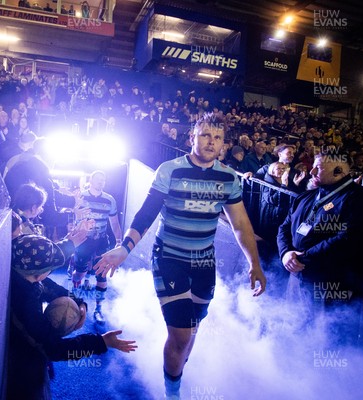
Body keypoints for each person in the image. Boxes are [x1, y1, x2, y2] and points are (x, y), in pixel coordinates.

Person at [93, 113, 266, 400]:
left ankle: (176, 371)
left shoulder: (228, 177)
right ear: (192, 138)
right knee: (183, 335)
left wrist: (255, 264)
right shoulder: (169, 170)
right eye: (205, 135)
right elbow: (147, 213)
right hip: (169, 258)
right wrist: (125, 248)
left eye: (218, 138)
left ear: (224, 144)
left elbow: (240, 224)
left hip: (204, 263)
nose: (211, 142)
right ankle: (172, 394)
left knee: (192, 330)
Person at [7, 234, 137, 400]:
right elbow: (55, 349)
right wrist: (101, 342)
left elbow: (49, 287)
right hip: (22, 367)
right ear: (40, 274)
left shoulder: (23, 275)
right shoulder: (25, 304)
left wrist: (79, 302)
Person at [277, 150, 363, 344]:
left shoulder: (362, 200)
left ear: (338, 170)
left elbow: (348, 238)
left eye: (319, 167)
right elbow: (284, 227)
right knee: (295, 327)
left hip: (331, 283)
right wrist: (285, 253)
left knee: (325, 337)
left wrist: (302, 258)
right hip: (297, 275)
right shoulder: (307, 196)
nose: (312, 172)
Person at [71, 171, 123, 325]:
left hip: (101, 241)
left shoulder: (109, 200)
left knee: (102, 274)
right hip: (83, 240)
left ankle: (98, 309)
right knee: (79, 273)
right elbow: (74, 217)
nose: (101, 182)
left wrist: (119, 241)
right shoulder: (81, 196)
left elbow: (114, 222)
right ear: (91, 180)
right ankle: (75, 300)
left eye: (104, 180)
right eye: (98, 179)